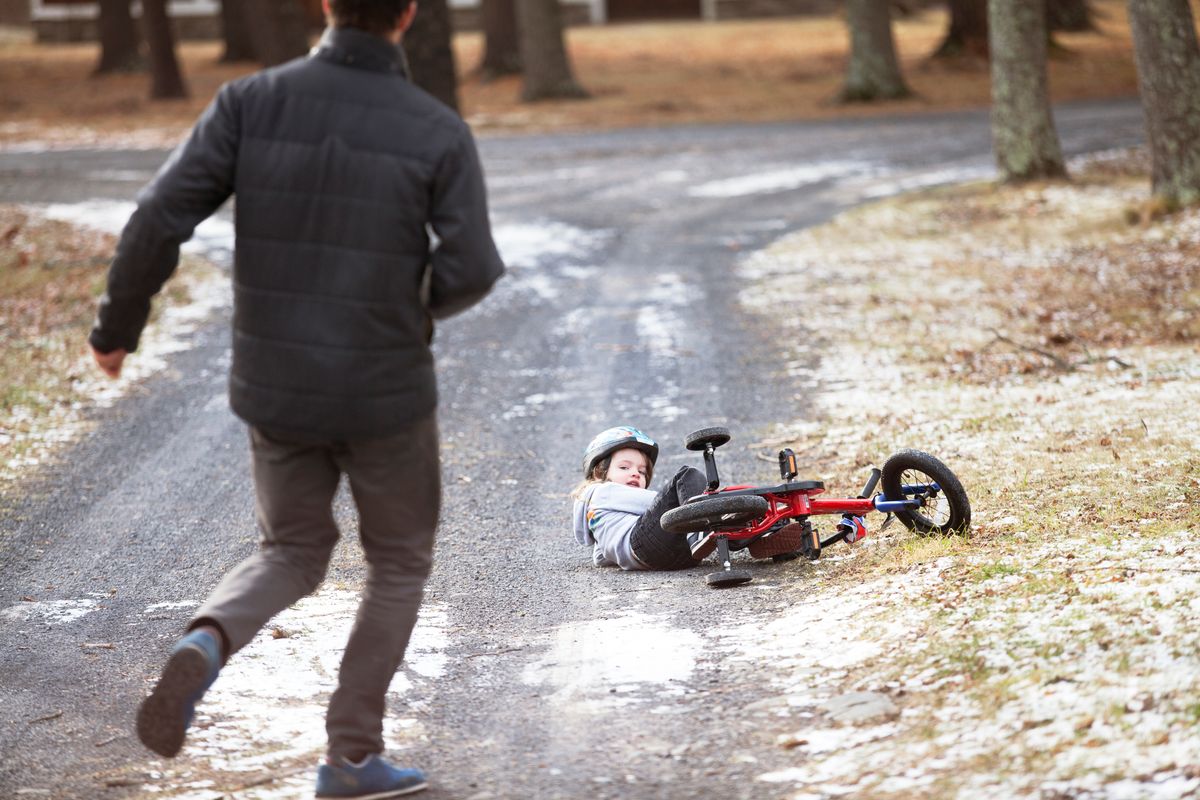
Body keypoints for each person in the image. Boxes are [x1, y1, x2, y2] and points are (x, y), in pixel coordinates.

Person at [87, 0, 505, 795]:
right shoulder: (434, 125)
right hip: (387, 391)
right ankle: (351, 757)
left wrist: (118, 328)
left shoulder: (249, 103)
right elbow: (474, 265)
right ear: (408, 14)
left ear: (325, 6)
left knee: (291, 549)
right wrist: (411, 307)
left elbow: (159, 214)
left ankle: (208, 640)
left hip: (278, 387)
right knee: (398, 562)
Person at [572, 427, 810, 571]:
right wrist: (714, 502)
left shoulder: (602, 515)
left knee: (709, 511)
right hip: (648, 546)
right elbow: (658, 504)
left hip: (674, 557)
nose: (635, 473)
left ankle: (761, 538)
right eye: (624, 467)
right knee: (686, 477)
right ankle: (706, 532)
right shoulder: (601, 492)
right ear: (599, 472)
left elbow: (601, 557)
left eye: (642, 471)